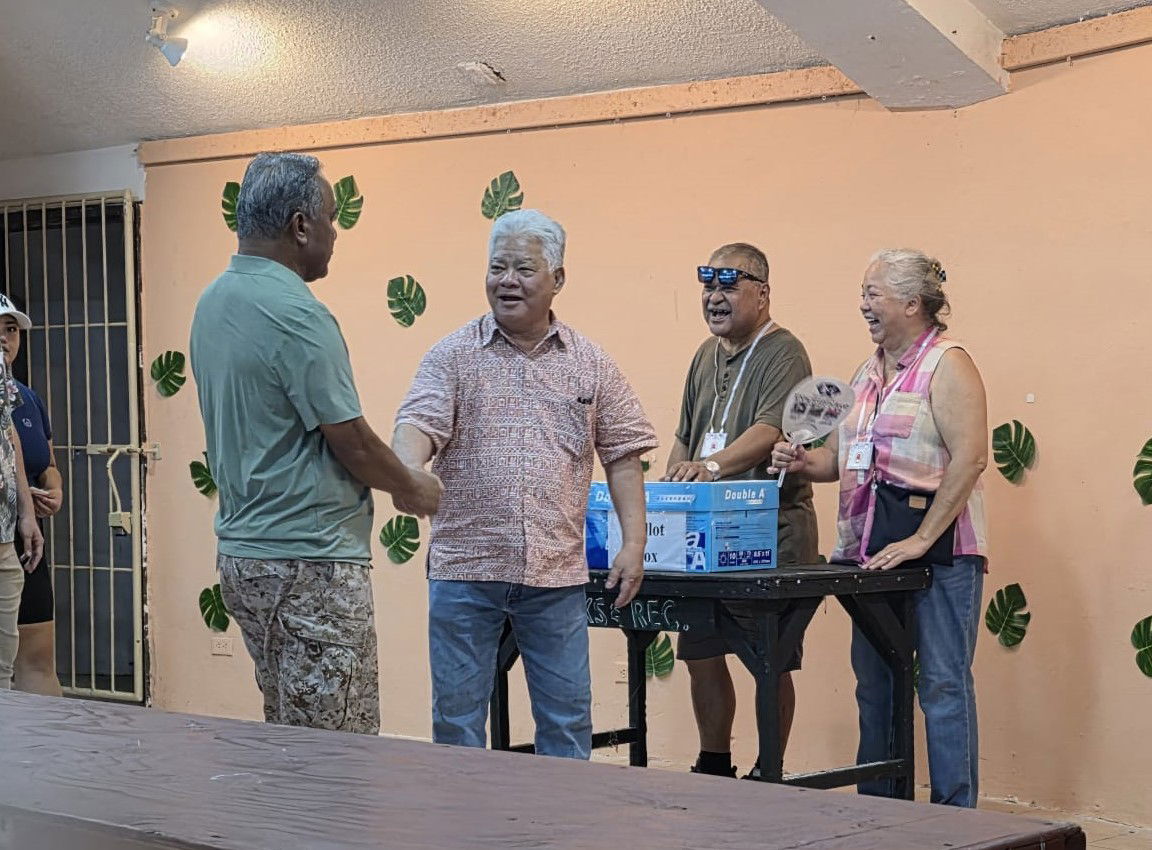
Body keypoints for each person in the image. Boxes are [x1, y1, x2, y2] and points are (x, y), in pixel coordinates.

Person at [190, 152, 441, 734]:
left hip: (243, 557)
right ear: (301, 226)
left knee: (288, 732)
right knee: (336, 749)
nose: (335, 233)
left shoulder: (212, 303)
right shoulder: (298, 314)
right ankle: (318, 829)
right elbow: (350, 439)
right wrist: (413, 488)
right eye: (331, 218)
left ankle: (280, 825)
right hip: (309, 563)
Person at [393, 209, 657, 759]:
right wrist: (409, 471)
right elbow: (416, 426)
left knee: (566, 724)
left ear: (558, 279)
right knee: (458, 724)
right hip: (465, 573)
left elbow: (625, 455)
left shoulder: (590, 362)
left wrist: (633, 545)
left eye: (523, 269)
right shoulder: (453, 354)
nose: (506, 280)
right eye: (497, 267)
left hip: (555, 578)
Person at [770, 249, 988, 806]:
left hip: (940, 557)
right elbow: (840, 462)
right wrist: (801, 463)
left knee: (941, 686)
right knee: (875, 687)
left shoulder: (949, 363)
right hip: (868, 559)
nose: (862, 304)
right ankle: (882, 810)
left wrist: (920, 538)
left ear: (913, 303)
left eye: (873, 293)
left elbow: (969, 460)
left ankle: (954, 817)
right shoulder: (864, 373)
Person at [663, 242, 818, 779]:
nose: (715, 297)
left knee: (765, 661)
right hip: (705, 538)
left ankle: (768, 769)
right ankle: (714, 763)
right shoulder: (704, 356)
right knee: (701, 652)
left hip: (768, 534)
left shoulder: (785, 352)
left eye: (729, 285)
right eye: (708, 286)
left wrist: (707, 469)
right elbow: (684, 437)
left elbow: (770, 430)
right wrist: (673, 495)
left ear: (763, 292)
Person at [1, 298, 64, 696]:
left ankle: (52, 751)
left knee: (37, 657)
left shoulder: (26, 399)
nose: (4, 339)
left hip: (24, 541)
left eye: (11, 329)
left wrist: (53, 490)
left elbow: (46, 461)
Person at [0, 292, 44, 691]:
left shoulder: (14, 392)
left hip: (5, 536)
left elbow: (10, 438)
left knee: (5, 666)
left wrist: (28, 514)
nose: (4, 338)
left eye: (10, 329)